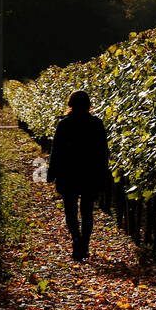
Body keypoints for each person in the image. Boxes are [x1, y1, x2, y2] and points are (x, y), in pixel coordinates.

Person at [47, 90, 110, 262]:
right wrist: (104, 174)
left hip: (69, 174)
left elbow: (56, 151)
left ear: (71, 104)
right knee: (87, 212)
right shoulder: (96, 124)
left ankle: (76, 240)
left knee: (71, 212)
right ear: (89, 105)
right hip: (90, 174)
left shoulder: (64, 124)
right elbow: (103, 152)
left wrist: (51, 173)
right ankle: (85, 245)